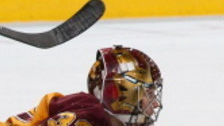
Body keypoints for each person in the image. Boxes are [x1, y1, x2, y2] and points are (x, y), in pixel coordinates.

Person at [4, 45, 162, 126]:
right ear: (121, 96)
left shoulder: (99, 116)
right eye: (148, 94)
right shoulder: (85, 120)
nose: (156, 104)